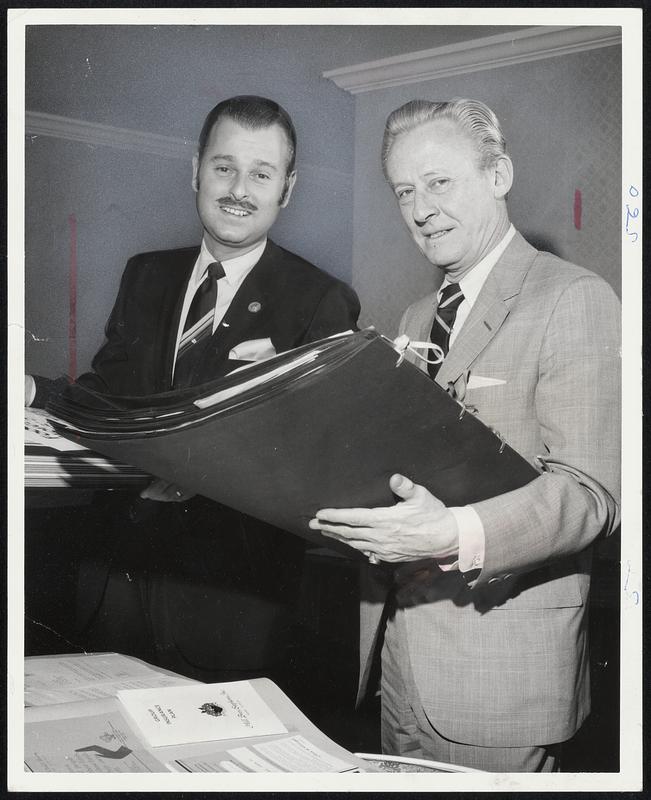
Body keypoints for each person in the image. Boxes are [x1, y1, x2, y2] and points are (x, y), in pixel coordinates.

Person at [309, 99, 620, 772]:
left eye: (438, 182)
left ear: (498, 174)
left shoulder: (574, 298)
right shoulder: (416, 317)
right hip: (398, 656)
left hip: (500, 676)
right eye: (403, 192)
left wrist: (453, 534)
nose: (419, 209)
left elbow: (590, 494)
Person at [27, 95, 360, 681]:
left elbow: (327, 458)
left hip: (229, 608)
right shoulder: (145, 273)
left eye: (261, 173)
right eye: (223, 166)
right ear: (195, 169)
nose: (238, 188)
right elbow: (108, 399)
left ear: (287, 188)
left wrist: (284, 394)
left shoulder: (322, 300)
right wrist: (30, 391)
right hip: (117, 585)